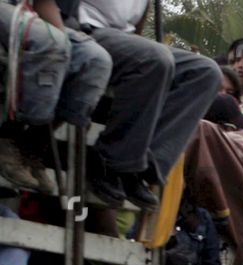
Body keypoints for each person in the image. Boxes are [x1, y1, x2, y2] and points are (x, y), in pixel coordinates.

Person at [77, 0, 220, 209]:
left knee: (206, 73)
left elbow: (137, 27)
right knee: (154, 58)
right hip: (87, 33)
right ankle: (109, 162)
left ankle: (144, 167)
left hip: (124, 40)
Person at [0, 0, 112, 199]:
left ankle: (32, 144)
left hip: (25, 12)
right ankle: (9, 136)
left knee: (95, 60)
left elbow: (44, 2)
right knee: (51, 42)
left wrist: (64, 49)